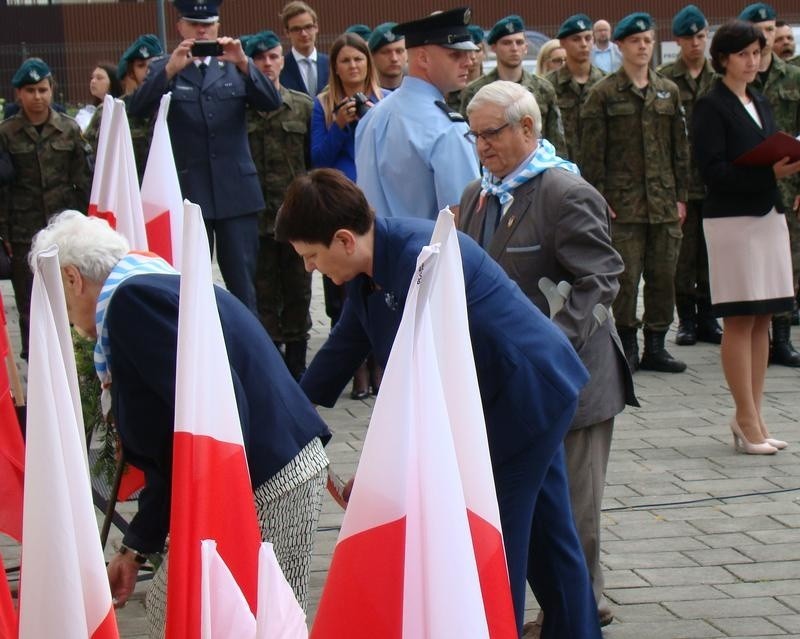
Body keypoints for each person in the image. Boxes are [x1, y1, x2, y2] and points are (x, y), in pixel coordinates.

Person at [276, 168, 600, 639]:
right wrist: (292, 414)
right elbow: (344, 346)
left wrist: (375, 475)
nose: (308, 268)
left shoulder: (418, 260)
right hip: (508, 397)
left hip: (523, 399)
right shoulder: (374, 265)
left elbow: (417, 385)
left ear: (344, 239)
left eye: (310, 256)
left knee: (490, 538)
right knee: (550, 536)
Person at [29, 210, 331, 636]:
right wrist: (136, 549)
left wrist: (167, 531)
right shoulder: (150, 284)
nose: (66, 320)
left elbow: (194, 430)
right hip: (270, 468)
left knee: (232, 616)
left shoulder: (133, 304)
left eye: (56, 295)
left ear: (73, 279)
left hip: (265, 479)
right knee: (215, 612)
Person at [459, 80, 636, 634]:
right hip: (509, 388)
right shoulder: (476, 195)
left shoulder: (563, 191)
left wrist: (551, 344)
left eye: (491, 133)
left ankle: (584, 608)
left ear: (528, 128)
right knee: (533, 509)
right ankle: (561, 607)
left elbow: (602, 275)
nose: (482, 146)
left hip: (571, 382)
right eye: (474, 136)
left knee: (574, 511)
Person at [128, 0, 281, 314]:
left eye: (208, 23)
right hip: (189, 191)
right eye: (194, 24)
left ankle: (242, 355)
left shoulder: (234, 64)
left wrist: (244, 64)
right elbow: (136, 109)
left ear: (218, 26)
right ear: (180, 27)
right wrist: (170, 70)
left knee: (242, 287)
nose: (201, 30)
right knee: (187, 284)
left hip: (235, 193)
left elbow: (271, 102)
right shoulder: (164, 66)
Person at [692, 21, 799, 454]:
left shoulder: (759, 99)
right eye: (743, 54)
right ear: (723, 59)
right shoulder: (710, 106)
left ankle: (753, 415)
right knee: (739, 318)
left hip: (767, 216)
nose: (753, 61)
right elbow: (712, 171)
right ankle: (745, 417)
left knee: (764, 318)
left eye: (758, 52)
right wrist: (765, 172)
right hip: (733, 222)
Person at [580, 12, 690, 374]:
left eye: (648, 40)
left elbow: (680, 149)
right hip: (621, 205)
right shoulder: (604, 93)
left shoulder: (667, 91)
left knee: (663, 275)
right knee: (624, 279)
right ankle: (626, 344)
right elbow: (591, 154)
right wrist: (598, 197)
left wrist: (680, 197)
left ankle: (656, 343)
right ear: (620, 46)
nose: (643, 47)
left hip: (662, 202)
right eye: (635, 41)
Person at [0, 58, 91, 360]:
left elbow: (83, 183)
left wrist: (83, 227)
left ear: (52, 90)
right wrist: (4, 235)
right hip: (23, 233)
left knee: (69, 299)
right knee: (29, 304)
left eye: (42, 89)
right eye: (30, 90)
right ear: (18, 95)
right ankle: (36, 363)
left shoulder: (68, 130)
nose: (37, 97)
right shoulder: (6, 133)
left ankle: (72, 361)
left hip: (63, 233)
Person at [355, 8, 479, 221]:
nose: (468, 61)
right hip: (426, 252)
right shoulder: (448, 128)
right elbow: (462, 218)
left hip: (375, 250)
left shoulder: (372, 116)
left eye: (468, 54)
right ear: (423, 58)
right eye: (455, 54)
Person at [245, 30, 314, 381]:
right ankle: (272, 372)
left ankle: (298, 369)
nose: (267, 64)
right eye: (259, 59)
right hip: (254, 221)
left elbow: (311, 162)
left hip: (296, 219)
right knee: (263, 297)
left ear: (282, 60)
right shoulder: (239, 109)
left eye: (273, 57)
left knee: (300, 293)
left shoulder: (302, 106)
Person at [739, 2, 800, 367]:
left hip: (789, 185)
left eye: (771, 28)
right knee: (751, 263)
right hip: (749, 184)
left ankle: (782, 338)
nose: (767, 35)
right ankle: (751, 333)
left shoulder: (793, 77)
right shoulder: (738, 79)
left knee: (787, 264)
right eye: (759, 28)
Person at [658, 5, 722, 347]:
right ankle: (686, 321)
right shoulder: (666, 79)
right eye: (689, 38)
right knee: (684, 256)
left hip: (714, 181)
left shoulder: (720, 78)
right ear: (678, 41)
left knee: (712, 254)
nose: (696, 43)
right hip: (680, 182)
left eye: (701, 36)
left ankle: (710, 317)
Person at [460, 15, 566, 155]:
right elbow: (467, 142)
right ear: (493, 48)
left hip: (536, 167)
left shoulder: (543, 88)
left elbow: (556, 140)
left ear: (526, 47)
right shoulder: (475, 91)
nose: (514, 48)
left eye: (519, 42)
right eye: (507, 43)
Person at [311, 32, 382, 181]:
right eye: (345, 61)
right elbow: (319, 161)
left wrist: (375, 116)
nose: (353, 66)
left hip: (380, 185)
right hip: (341, 191)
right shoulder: (323, 104)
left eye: (358, 59)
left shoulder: (386, 100)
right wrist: (339, 126)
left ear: (368, 63)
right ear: (335, 68)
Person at [548, 14, 605, 165]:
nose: (584, 44)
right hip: (561, 169)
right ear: (563, 43)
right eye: (576, 39)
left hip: (600, 171)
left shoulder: (606, 84)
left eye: (588, 38)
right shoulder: (548, 86)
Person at [116, 34, 164, 181]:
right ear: (131, 72)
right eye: (141, 65)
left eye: (153, 63)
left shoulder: (176, 104)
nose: (148, 69)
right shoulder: (117, 110)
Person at [279, 1, 329, 96]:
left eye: (308, 27)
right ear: (287, 33)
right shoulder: (280, 68)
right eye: (296, 29)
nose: (304, 34)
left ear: (316, 27)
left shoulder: (332, 64)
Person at [81, 62, 124, 150]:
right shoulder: (88, 111)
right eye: (92, 78)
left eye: (99, 78)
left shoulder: (120, 109)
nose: (93, 81)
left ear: (113, 82)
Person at [445, 24, 486, 111]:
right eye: (467, 51)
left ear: (484, 53)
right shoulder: (447, 91)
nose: (473, 56)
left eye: (478, 50)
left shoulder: (491, 86)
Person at [368, 22, 407, 92]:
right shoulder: (366, 95)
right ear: (372, 56)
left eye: (399, 51)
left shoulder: (419, 92)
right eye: (386, 52)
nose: (394, 59)